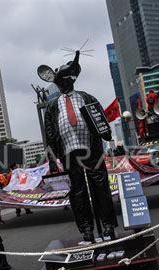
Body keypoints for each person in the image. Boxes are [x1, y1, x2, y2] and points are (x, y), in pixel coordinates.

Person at [40, 51, 118, 242]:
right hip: (67, 152)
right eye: (63, 78)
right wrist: (52, 158)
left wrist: (105, 133)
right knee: (77, 191)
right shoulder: (52, 106)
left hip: (91, 149)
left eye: (69, 77)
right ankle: (86, 229)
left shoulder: (87, 97)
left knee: (100, 186)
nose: (66, 81)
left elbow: (101, 119)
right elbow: (49, 134)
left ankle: (107, 225)